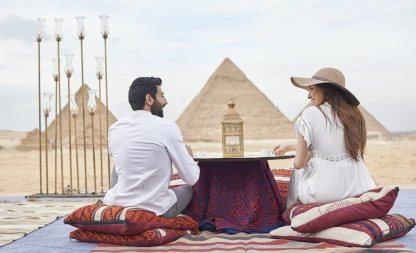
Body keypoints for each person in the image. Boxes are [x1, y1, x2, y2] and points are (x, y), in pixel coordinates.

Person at [273, 68, 376, 208]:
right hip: (360, 188)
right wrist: (291, 145)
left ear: (325, 89)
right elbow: (330, 150)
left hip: (323, 194)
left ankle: (289, 212)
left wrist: (297, 150)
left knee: (298, 171)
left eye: (311, 89)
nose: (308, 96)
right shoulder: (355, 115)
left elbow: (299, 163)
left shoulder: (310, 113)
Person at [103, 77, 200, 218]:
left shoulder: (114, 129)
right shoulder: (167, 127)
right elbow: (191, 178)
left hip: (118, 204)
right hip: (157, 209)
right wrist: (189, 158)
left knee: (120, 163)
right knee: (189, 190)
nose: (165, 101)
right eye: (162, 95)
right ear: (149, 99)